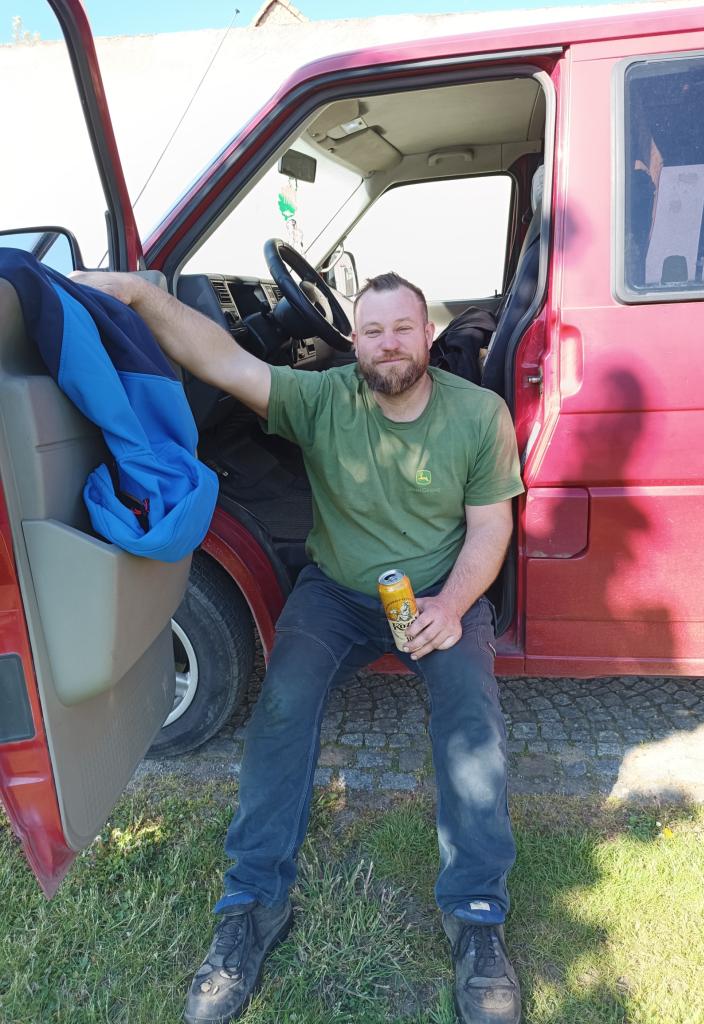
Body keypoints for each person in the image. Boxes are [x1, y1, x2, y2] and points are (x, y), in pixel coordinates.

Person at [73, 268, 525, 1024]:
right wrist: (142, 295)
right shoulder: (323, 398)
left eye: (403, 328)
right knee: (282, 707)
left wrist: (451, 606)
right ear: (354, 341)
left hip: (442, 592)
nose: (389, 344)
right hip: (338, 594)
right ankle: (252, 905)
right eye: (373, 331)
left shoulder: (479, 414)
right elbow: (223, 361)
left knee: (471, 720)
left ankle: (476, 913)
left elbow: (490, 526)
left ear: (428, 334)